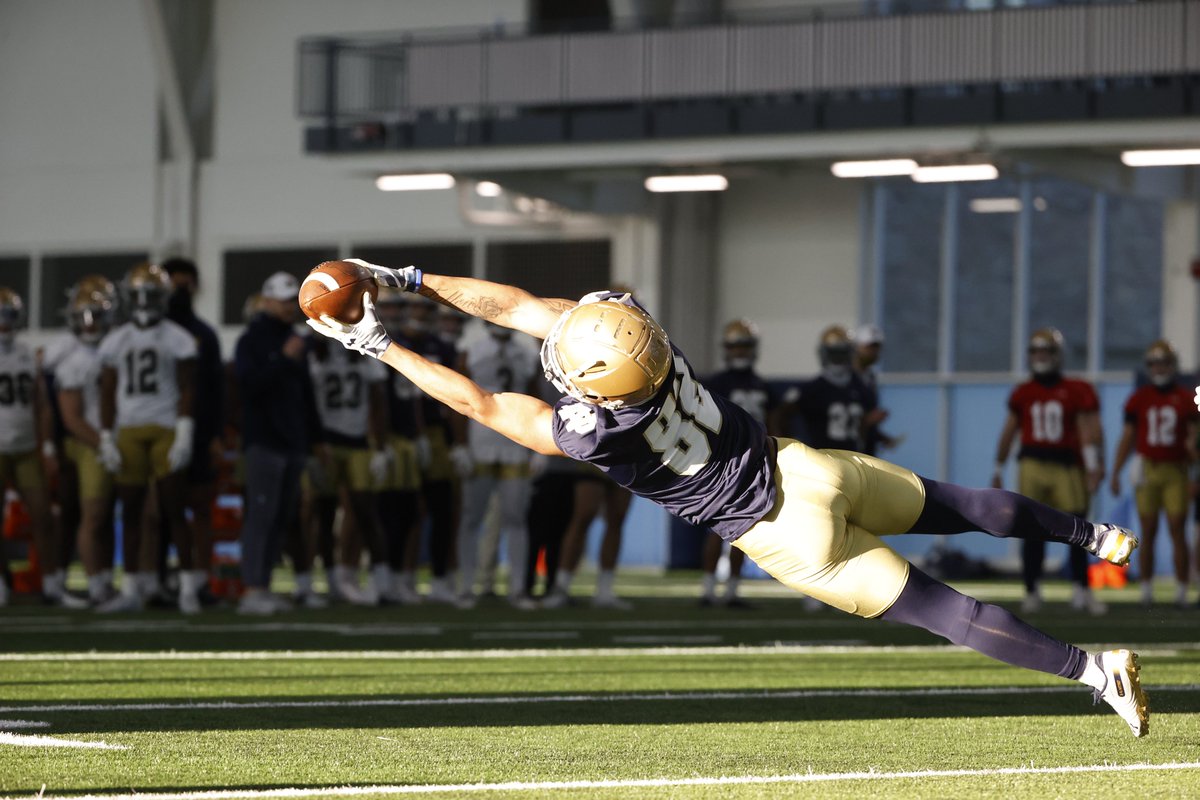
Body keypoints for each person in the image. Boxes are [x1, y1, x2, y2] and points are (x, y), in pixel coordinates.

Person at [308, 263, 1150, 739]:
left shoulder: (597, 432)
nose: (558, 362)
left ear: (594, 385)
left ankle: (1094, 669)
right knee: (961, 502)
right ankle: (1097, 536)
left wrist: (378, 338)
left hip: (782, 531)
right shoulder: (646, 339)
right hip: (810, 468)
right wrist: (407, 276)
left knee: (947, 612)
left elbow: (483, 406)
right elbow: (530, 309)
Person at [97, 263, 199, 613]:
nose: (143, 302)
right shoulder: (116, 339)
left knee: (173, 509)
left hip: (165, 427)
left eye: (150, 295)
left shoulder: (178, 337)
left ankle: (187, 588)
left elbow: (188, 388)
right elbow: (107, 392)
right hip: (129, 428)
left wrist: (185, 432)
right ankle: (131, 589)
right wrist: (106, 437)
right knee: (131, 511)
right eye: (139, 295)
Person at [993, 328, 1107, 615]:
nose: (1041, 356)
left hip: (1066, 463)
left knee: (1077, 527)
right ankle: (1032, 589)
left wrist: (1093, 465)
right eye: (1036, 351)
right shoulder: (1024, 392)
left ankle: (1081, 589)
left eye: (1046, 351)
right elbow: (1010, 430)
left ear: (1057, 355)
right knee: (1031, 528)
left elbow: (1085, 430)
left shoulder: (1074, 389)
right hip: (1032, 462)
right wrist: (998, 466)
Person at [234, 271, 322, 616]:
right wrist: (283, 360)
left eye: (291, 300)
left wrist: (315, 440)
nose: (289, 307)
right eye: (284, 300)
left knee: (280, 518)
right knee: (261, 516)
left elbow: (304, 396)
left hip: (291, 442)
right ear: (267, 301)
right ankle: (252, 589)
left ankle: (263, 585)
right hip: (264, 440)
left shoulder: (295, 339)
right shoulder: (251, 340)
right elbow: (248, 387)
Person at [0, 287, 79, 608]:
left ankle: (51, 583)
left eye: (8, 315)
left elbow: (42, 405)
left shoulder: (26, 353)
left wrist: (46, 447)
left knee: (44, 516)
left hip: (26, 447)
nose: (5, 322)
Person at [454, 323, 540, 609]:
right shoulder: (473, 347)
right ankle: (467, 587)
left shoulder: (525, 351)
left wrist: (536, 447)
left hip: (515, 441)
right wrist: (460, 443)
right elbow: (456, 396)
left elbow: (534, 398)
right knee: (471, 518)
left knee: (516, 518)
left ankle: (517, 589)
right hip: (479, 440)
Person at [698, 319, 779, 607]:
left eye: (744, 346)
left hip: (754, 459)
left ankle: (731, 589)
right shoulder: (716, 383)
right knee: (715, 527)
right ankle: (708, 589)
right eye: (736, 346)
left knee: (743, 529)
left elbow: (772, 423)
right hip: (723, 460)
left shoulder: (761, 384)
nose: (740, 351)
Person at [1110, 340, 1197, 608]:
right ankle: (1146, 588)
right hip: (1148, 468)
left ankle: (1182, 589)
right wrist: (1116, 470)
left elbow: (1195, 440)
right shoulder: (1139, 398)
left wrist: (1195, 474)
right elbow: (1128, 437)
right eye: (1154, 363)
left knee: (1177, 529)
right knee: (1147, 529)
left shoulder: (1186, 398)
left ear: (1173, 365)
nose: (1159, 368)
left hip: (1177, 469)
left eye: (1164, 362)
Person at [162, 257, 224, 606]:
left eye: (185, 284)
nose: (179, 291)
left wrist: (215, 434)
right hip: (160, 428)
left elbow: (215, 388)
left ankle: (198, 581)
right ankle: (151, 579)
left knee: (200, 508)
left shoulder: (204, 334)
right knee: (159, 510)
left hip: (198, 429)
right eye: (174, 284)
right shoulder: (151, 332)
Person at [55, 278, 120, 605]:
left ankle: (108, 580)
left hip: (120, 441)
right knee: (92, 516)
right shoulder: (70, 358)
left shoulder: (118, 345)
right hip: (92, 445)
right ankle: (95, 584)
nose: (91, 323)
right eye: (85, 316)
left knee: (112, 516)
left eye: (97, 315)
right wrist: (103, 443)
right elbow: (71, 417)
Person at [774, 326, 879, 453]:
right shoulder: (810, 389)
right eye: (834, 354)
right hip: (820, 459)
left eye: (842, 354)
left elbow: (864, 427)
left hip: (854, 458)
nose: (838, 359)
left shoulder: (862, 388)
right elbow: (779, 416)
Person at [852, 323, 901, 455]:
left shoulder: (869, 377)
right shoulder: (844, 379)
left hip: (866, 451)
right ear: (857, 347)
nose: (874, 352)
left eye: (877, 347)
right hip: (848, 453)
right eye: (869, 347)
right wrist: (867, 420)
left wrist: (881, 437)